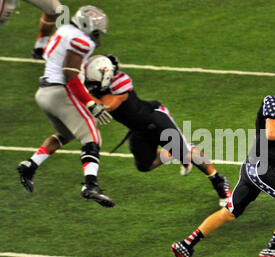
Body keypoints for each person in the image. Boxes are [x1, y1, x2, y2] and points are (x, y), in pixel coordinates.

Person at [171, 72, 275, 257]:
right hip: (260, 166)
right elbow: (271, 133)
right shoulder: (274, 102)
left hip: (259, 166)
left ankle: (186, 245)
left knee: (229, 213)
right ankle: (272, 249)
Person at [82, 54, 232, 207]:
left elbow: (108, 105)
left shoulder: (120, 82)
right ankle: (173, 153)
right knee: (144, 165)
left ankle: (219, 181)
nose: (90, 86)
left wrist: (80, 92)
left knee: (187, 153)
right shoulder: (101, 84)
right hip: (138, 130)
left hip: (156, 120)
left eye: (92, 83)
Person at [16, 5, 115, 208]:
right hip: (60, 92)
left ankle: (30, 164)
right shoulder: (82, 40)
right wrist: (89, 102)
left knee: (68, 133)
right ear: (88, 26)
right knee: (92, 135)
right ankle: (90, 185)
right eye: (96, 31)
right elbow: (70, 73)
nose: (96, 37)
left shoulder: (64, 31)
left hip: (44, 93)